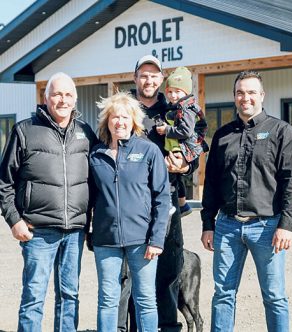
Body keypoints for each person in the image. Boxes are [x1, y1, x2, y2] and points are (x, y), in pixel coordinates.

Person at [201, 70, 292, 332]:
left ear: (262, 95)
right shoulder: (222, 135)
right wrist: (207, 224)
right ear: (235, 96)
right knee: (223, 294)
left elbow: (291, 180)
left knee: (274, 295)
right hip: (226, 226)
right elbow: (211, 182)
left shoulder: (281, 131)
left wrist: (286, 225)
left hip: (268, 227)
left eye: (251, 92)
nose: (245, 97)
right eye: (240, 92)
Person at [0, 72, 97, 332]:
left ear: (75, 100)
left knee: (70, 296)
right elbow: (4, 182)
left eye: (67, 95)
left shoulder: (86, 133)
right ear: (46, 98)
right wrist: (14, 220)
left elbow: (99, 181)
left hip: (75, 230)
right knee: (34, 297)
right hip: (38, 231)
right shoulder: (25, 131)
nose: (62, 100)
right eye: (56, 94)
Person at [118, 55, 199, 332]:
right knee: (129, 276)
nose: (149, 80)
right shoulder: (124, 109)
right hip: (129, 206)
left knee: (167, 270)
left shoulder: (175, 108)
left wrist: (186, 164)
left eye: (154, 75)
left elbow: (197, 141)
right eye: (144, 74)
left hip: (168, 203)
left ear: (161, 79)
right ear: (135, 77)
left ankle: (166, 327)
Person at [89, 92, 169, 332]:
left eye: (125, 117)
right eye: (114, 117)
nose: (119, 122)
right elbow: (90, 197)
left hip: (142, 240)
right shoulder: (95, 154)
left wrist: (156, 239)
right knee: (107, 300)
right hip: (106, 240)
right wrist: (88, 232)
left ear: (134, 120)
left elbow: (162, 197)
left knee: (145, 299)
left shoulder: (148, 151)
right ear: (107, 121)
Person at [155, 66, 208, 218]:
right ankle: (182, 204)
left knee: (171, 172)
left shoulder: (186, 109)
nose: (173, 95)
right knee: (176, 176)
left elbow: (186, 131)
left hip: (183, 147)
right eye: (170, 91)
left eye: (177, 91)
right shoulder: (177, 107)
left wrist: (167, 130)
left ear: (186, 92)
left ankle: (177, 204)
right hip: (179, 146)